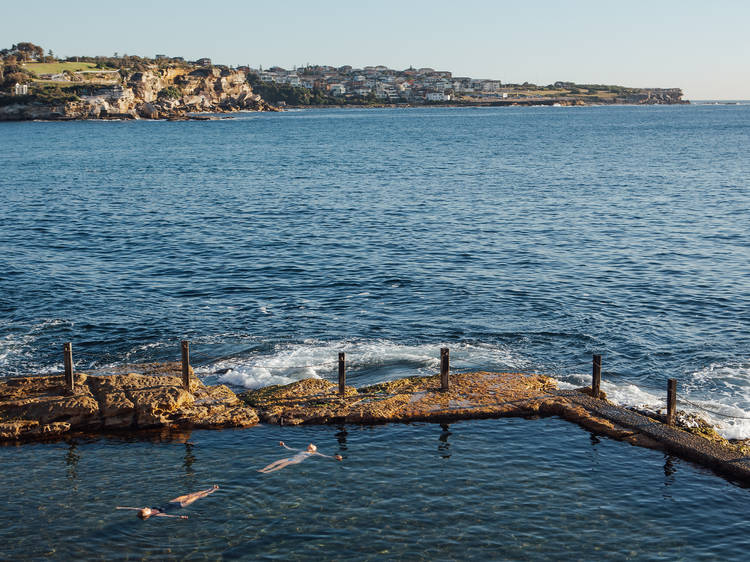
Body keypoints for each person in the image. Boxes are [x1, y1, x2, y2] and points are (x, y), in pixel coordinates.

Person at [116, 484, 219, 520]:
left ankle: (208, 488)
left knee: (191, 494)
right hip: (180, 506)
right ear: (147, 514)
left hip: (172, 502)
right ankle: (213, 490)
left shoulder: (147, 511)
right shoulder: (157, 515)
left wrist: (121, 507)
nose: (146, 507)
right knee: (197, 497)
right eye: (146, 509)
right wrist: (179, 517)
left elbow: (132, 508)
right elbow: (167, 516)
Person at [258, 442, 343, 474]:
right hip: (290, 458)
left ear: (313, 449)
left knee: (281, 465)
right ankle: (263, 469)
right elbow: (290, 448)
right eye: (310, 446)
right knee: (275, 462)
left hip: (296, 461)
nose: (309, 446)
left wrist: (335, 457)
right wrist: (283, 445)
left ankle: (268, 471)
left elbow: (325, 456)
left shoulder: (314, 453)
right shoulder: (302, 450)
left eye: (311, 446)